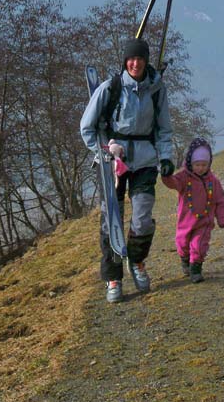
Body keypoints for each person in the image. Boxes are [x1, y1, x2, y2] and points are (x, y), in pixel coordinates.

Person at [80, 38, 175, 303]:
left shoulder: (157, 89)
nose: (135, 63)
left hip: (145, 160)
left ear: (146, 61)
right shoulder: (110, 88)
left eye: (140, 59)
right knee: (111, 220)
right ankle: (113, 277)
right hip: (113, 164)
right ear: (125, 61)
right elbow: (86, 127)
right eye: (131, 59)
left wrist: (166, 157)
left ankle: (137, 261)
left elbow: (164, 129)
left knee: (142, 218)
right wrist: (102, 153)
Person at [161, 137, 224, 283]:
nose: (201, 168)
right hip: (185, 221)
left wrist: (221, 218)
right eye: (197, 164)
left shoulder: (213, 181)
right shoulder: (184, 177)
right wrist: (166, 176)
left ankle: (196, 269)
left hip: (204, 222)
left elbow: (220, 201)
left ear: (209, 164)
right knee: (182, 243)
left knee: (199, 245)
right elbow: (173, 183)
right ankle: (185, 260)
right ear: (191, 163)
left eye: (204, 164)